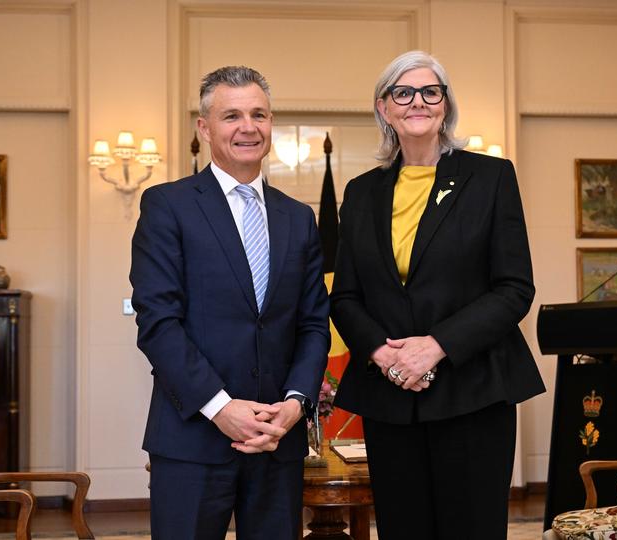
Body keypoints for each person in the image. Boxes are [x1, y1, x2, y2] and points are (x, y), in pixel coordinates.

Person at [330, 50, 545, 540]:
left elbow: (514, 288)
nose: (418, 102)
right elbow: (344, 295)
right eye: (402, 93)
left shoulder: (490, 177)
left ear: (445, 105)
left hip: (473, 389)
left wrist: (435, 346)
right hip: (390, 393)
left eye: (431, 91)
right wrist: (385, 355)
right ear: (384, 108)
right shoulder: (362, 192)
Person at [130, 65, 329, 540]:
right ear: (204, 127)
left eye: (258, 114)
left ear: (271, 123)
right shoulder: (168, 205)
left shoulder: (298, 218)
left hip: (277, 441)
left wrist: (296, 403)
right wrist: (221, 408)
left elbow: (314, 323)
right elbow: (158, 323)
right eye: (231, 115)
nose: (248, 127)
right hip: (193, 440)